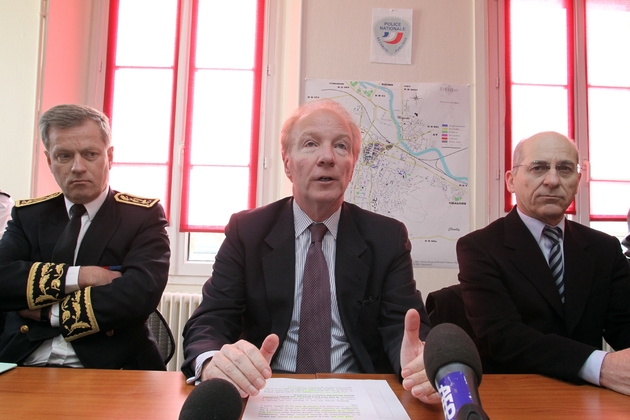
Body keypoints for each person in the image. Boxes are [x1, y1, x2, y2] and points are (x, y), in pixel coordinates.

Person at [181, 99, 439, 404]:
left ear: (353, 164)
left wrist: (417, 366)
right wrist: (213, 362)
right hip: (266, 393)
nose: (327, 157)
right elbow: (210, 320)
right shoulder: (247, 231)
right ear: (287, 162)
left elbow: (404, 327)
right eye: (310, 144)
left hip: (356, 395)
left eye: (341, 147)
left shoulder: (386, 237)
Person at [456, 131, 630, 395]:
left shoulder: (604, 248)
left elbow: (624, 324)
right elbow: (502, 338)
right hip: (513, 394)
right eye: (538, 168)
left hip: (589, 398)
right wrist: (600, 365)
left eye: (565, 169)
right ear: (511, 181)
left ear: (578, 180)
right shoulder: (479, 247)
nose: (552, 180)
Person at [0, 104, 170, 370]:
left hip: (111, 365)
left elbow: (139, 294)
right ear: (49, 161)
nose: (77, 167)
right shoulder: (29, 215)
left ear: (109, 157)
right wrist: (82, 276)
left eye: (90, 154)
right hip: (23, 359)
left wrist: (49, 312)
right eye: (64, 156)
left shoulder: (141, 216)